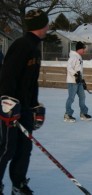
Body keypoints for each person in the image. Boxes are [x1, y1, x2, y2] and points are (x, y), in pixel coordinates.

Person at [0, 9, 48, 194]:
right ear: (42, 25)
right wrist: (7, 102)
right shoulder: (22, 45)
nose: (48, 27)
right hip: (11, 108)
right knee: (7, 148)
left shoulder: (34, 47)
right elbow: (7, 76)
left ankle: (18, 184)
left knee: (24, 148)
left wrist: (34, 104)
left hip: (25, 108)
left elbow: (30, 81)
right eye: (46, 23)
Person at [64, 41, 92, 122]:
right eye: (83, 49)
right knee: (71, 98)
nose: (84, 50)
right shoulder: (73, 57)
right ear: (79, 49)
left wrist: (82, 80)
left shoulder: (78, 57)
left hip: (78, 82)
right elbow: (69, 68)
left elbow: (79, 70)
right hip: (72, 82)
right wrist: (75, 75)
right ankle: (67, 115)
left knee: (82, 96)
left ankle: (83, 113)